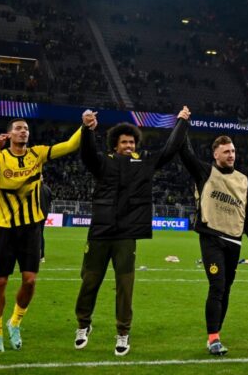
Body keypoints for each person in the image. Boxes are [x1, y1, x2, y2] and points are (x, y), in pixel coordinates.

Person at [75, 107, 189, 356]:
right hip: (100, 232)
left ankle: (123, 333)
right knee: (89, 281)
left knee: (125, 287)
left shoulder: (143, 164)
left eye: (132, 141)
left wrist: (180, 122)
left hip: (127, 234)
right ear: (115, 144)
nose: (128, 145)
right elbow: (86, 154)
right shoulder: (103, 162)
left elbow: (170, 150)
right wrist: (86, 129)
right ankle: (83, 325)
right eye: (124, 141)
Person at [0, 116, 83, 352]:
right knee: (0, 283)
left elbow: (69, 146)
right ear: (9, 135)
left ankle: (14, 322)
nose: (23, 131)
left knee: (29, 281)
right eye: (18, 128)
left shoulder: (36, 154)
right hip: (4, 228)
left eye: (26, 129)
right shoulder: (0, 157)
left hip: (31, 228)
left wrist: (84, 126)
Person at [177, 133, 248, 356]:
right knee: (217, 285)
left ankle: (217, 333)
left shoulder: (243, 180)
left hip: (234, 241)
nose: (231, 155)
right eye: (226, 151)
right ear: (216, 154)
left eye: (233, 151)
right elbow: (185, 153)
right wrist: (183, 125)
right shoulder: (205, 172)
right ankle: (213, 338)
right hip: (211, 237)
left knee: (225, 290)